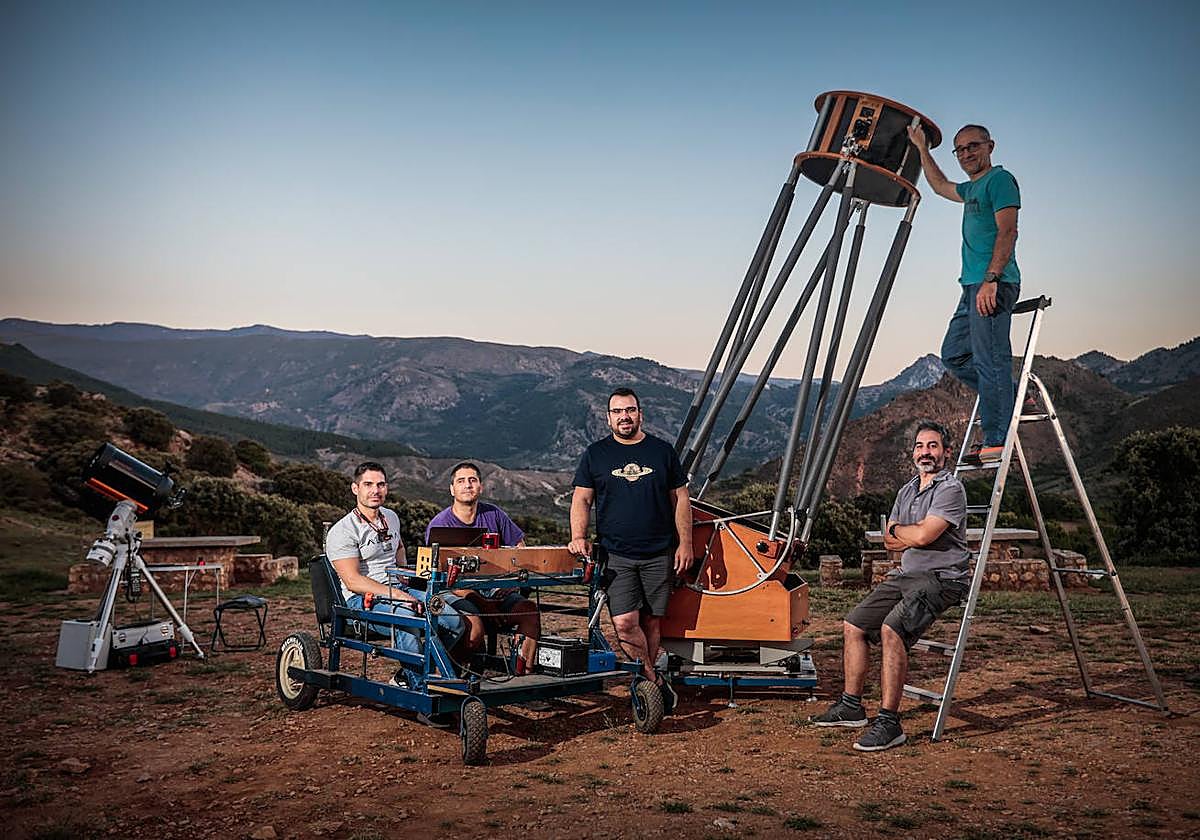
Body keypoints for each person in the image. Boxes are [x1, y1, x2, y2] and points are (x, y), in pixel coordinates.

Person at [810, 420, 970, 751]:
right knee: (854, 624)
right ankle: (851, 707)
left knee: (891, 629)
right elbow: (890, 540)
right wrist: (908, 533)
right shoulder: (907, 490)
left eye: (933, 446)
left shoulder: (950, 489)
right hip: (906, 575)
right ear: (913, 453)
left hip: (942, 579)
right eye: (920, 446)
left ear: (947, 452)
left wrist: (906, 532)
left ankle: (889, 723)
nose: (925, 452)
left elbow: (922, 536)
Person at [568, 387, 692, 709]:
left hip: (659, 552)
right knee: (624, 623)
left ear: (640, 414)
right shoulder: (595, 454)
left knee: (651, 622)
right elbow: (581, 499)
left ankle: (646, 684)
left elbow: (680, 499)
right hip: (615, 555)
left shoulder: (662, 451)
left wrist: (685, 544)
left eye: (630, 410)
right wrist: (578, 536)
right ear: (608, 418)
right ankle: (653, 680)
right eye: (618, 411)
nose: (624, 416)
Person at [907, 122, 1021, 464]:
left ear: (990, 146)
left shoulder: (1000, 181)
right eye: (961, 149)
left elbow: (1008, 231)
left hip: (993, 283)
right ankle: (1015, 396)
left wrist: (991, 278)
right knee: (954, 355)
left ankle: (996, 439)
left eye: (974, 146)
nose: (967, 153)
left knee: (991, 361)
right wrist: (922, 148)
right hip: (971, 286)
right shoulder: (972, 189)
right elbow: (940, 186)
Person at [325, 461, 484, 678]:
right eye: (368, 484)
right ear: (355, 488)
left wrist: (403, 573)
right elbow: (353, 581)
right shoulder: (343, 530)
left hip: (398, 587)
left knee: (453, 621)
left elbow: (398, 546)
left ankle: (414, 675)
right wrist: (399, 595)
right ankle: (420, 686)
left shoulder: (390, 517)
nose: (375, 490)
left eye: (381, 485)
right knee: (408, 620)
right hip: (363, 598)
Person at [425, 461, 541, 671]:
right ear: (452, 489)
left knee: (529, 611)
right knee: (473, 629)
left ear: (481, 487)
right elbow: (442, 579)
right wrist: (484, 603)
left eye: (472, 480)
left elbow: (520, 549)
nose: (467, 485)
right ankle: (448, 673)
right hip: (457, 592)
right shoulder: (440, 524)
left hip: (493, 589)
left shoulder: (494, 514)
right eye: (461, 481)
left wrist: (511, 583)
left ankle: (523, 673)